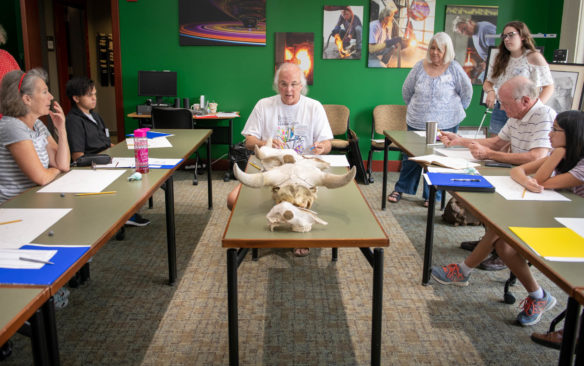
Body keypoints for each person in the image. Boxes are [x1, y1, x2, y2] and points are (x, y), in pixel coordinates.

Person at [432, 110, 584, 327]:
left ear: (573, 134)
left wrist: (556, 155)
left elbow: (541, 180)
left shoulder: (579, 163)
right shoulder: (560, 152)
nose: (549, 134)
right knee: (504, 245)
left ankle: (464, 271)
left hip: (575, 227)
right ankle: (538, 296)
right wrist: (530, 177)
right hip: (557, 213)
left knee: (501, 229)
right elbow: (519, 171)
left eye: (555, 130)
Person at [441, 75, 557, 269]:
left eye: (504, 103)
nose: (501, 108)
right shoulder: (517, 115)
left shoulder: (543, 115)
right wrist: (459, 140)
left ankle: (503, 251)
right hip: (515, 175)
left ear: (525, 101)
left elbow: (536, 157)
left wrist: (491, 155)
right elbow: (497, 142)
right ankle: (490, 242)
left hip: (535, 183)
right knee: (484, 197)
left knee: (496, 204)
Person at [226, 62, 333, 257]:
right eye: (284, 84)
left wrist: (322, 147)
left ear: (302, 85)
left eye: (294, 84)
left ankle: (296, 235)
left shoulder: (314, 107)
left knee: (297, 199)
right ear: (277, 86)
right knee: (232, 200)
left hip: (303, 172)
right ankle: (258, 235)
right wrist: (264, 143)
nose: (289, 90)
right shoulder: (264, 105)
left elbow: (327, 143)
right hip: (271, 170)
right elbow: (249, 141)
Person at [387, 32, 472, 207]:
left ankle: (433, 195)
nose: (434, 52)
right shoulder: (419, 66)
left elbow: (467, 92)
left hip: (446, 124)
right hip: (417, 121)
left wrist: (451, 110)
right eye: (432, 48)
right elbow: (407, 91)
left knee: (438, 159)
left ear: (447, 51)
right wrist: (418, 108)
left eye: (439, 50)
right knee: (411, 158)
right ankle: (401, 188)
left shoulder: (454, 68)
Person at [65, 76, 149, 227]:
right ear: (76, 98)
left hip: (108, 157)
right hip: (94, 165)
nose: (94, 98)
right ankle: (122, 215)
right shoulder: (73, 121)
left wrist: (119, 150)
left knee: (140, 167)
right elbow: (78, 157)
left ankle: (127, 211)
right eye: (89, 95)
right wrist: (106, 158)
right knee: (129, 176)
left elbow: (106, 140)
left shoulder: (95, 116)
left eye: (95, 94)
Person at [0, 69, 70, 203]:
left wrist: (61, 130)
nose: (50, 96)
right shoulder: (12, 126)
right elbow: (41, 177)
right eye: (44, 92)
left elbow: (63, 164)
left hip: (35, 199)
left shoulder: (37, 124)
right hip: (13, 206)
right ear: (27, 99)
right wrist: (55, 170)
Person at [483, 21, 554, 136]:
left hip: (522, 109)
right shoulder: (499, 58)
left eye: (511, 35)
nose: (506, 39)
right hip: (501, 108)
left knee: (519, 142)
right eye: (504, 36)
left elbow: (549, 86)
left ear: (522, 36)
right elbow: (488, 82)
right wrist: (490, 92)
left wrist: (534, 109)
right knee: (496, 144)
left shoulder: (534, 57)